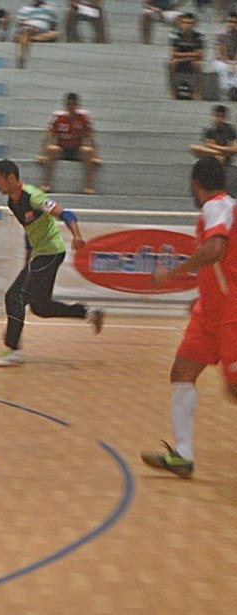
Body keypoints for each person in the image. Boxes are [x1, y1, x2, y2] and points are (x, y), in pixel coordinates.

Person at [142, 157, 237, 478]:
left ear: (196, 185)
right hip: (210, 313)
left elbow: (215, 251)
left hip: (230, 316)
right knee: (181, 371)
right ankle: (183, 455)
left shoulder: (216, 206)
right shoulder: (222, 207)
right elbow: (224, 266)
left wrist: (171, 274)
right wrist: (203, 294)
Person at [0, 159, 105, 367]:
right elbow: (30, 231)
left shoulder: (34, 197)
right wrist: (27, 261)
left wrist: (77, 236)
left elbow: (66, 213)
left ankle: (13, 350)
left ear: (11, 178)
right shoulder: (12, 202)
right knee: (41, 307)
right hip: (42, 254)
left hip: (50, 253)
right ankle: (89, 313)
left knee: (14, 296)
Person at [38, 92, 101, 195]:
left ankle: (88, 186)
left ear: (77, 105)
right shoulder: (60, 118)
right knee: (51, 149)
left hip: (76, 150)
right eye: (69, 105)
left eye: (73, 105)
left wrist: (95, 156)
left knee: (87, 151)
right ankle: (46, 184)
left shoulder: (83, 118)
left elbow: (90, 136)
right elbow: (48, 135)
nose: (71, 107)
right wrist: (43, 154)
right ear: (66, 106)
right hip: (62, 149)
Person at [169, 12, 205, 100]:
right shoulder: (175, 35)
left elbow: (201, 55)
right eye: (185, 23)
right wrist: (191, 55)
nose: (187, 25)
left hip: (191, 61)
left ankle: (197, 92)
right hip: (181, 60)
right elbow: (173, 53)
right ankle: (172, 91)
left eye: (190, 23)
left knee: (199, 64)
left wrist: (184, 55)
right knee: (172, 63)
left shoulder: (199, 36)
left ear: (194, 24)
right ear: (181, 23)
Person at [15, 0, 60, 69]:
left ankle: (34, 38)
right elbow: (21, 23)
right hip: (30, 30)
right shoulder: (25, 9)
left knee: (55, 34)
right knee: (25, 33)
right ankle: (22, 59)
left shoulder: (50, 8)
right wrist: (32, 27)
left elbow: (53, 24)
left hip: (44, 32)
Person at [209, 12, 237, 101]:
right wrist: (228, 62)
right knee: (224, 67)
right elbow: (220, 51)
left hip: (234, 60)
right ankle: (225, 91)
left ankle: (233, 90)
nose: (232, 24)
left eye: (234, 22)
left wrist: (234, 62)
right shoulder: (220, 34)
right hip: (221, 60)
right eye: (230, 21)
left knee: (235, 68)